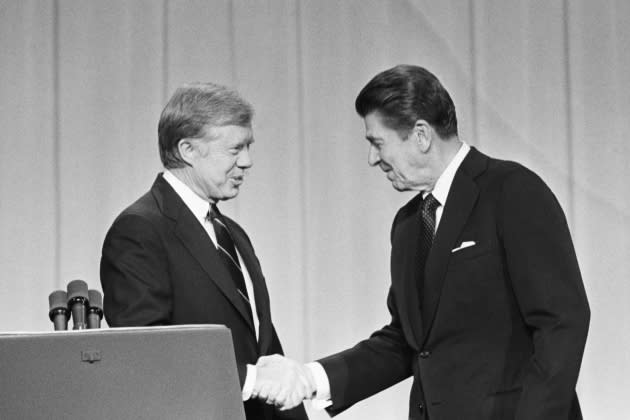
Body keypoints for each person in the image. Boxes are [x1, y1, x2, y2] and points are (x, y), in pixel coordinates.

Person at [258, 65, 591, 420]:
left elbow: (561, 322)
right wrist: (309, 377)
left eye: (377, 142)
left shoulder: (512, 191)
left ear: (420, 134)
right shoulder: (408, 225)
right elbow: (405, 343)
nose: (372, 159)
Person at [100, 82, 310, 420]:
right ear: (188, 149)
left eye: (249, 147)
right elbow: (145, 354)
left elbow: (262, 346)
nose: (247, 161)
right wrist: (252, 379)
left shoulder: (232, 233)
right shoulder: (140, 230)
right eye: (235, 149)